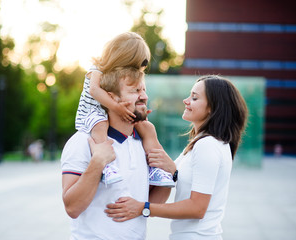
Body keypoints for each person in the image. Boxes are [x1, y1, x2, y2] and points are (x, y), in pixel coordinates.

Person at [105, 75, 248, 240]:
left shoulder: (207, 145)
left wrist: (142, 208)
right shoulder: (203, 143)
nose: (186, 101)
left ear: (212, 108)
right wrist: (174, 171)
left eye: (194, 98)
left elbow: (197, 208)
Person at [61, 67, 170, 239]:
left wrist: (168, 173)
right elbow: (72, 208)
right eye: (135, 90)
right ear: (111, 98)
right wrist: (98, 162)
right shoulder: (83, 141)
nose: (144, 96)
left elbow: (153, 202)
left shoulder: (143, 142)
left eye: (144, 90)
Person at [75, 31, 174, 187]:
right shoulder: (98, 67)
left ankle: (155, 169)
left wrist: (140, 114)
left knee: (147, 127)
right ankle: (106, 166)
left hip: (108, 110)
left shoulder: (121, 75)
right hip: (91, 112)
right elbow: (94, 90)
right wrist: (117, 107)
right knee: (100, 124)